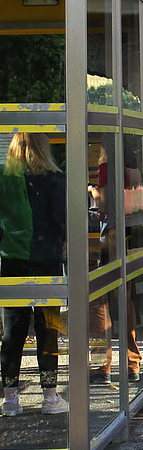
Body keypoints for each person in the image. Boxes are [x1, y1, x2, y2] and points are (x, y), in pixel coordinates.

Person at [0, 133, 68, 416]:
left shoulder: (6, 181)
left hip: (13, 261)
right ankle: (50, 396)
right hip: (47, 261)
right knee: (48, 326)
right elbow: (64, 220)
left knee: (13, 330)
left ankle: (10, 398)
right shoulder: (54, 180)